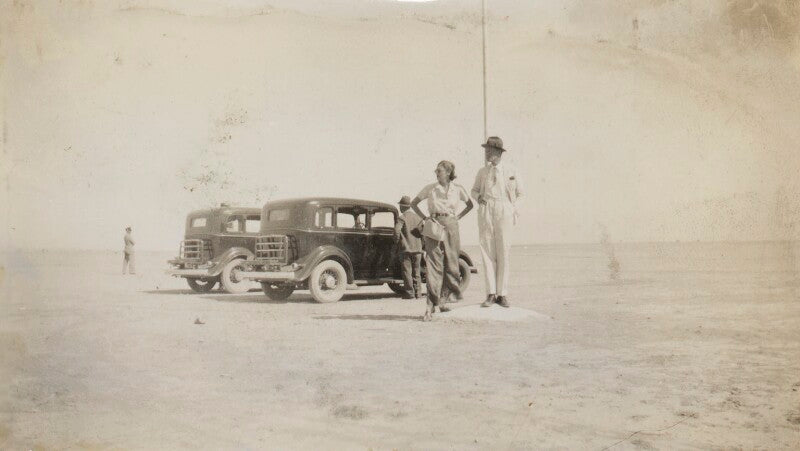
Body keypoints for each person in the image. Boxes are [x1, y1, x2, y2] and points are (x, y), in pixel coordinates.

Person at [411, 160, 474, 321]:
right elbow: (414, 203)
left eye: (439, 170)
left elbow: (469, 205)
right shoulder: (430, 188)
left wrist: (457, 217)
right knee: (433, 265)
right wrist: (425, 218)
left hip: (451, 226)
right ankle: (429, 307)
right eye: (436, 170)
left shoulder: (458, 189)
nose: (436, 173)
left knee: (452, 264)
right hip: (434, 226)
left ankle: (443, 300)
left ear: (448, 172)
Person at [471, 136, 523, 308]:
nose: (486, 153)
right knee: (487, 250)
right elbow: (474, 190)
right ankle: (491, 293)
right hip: (487, 209)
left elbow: (521, 193)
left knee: (503, 251)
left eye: (489, 150)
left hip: (504, 209)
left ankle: (503, 294)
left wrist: (513, 208)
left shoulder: (511, 170)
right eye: (485, 150)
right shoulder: (482, 172)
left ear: (498, 152)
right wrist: (479, 198)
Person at [394, 195, 424, 299]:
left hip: (406, 249)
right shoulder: (418, 218)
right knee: (416, 272)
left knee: (407, 271)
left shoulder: (402, 218)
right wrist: (422, 246)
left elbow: (396, 231)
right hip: (418, 250)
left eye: (400, 206)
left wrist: (397, 243)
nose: (399, 208)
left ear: (403, 206)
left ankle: (409, 293)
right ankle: (418, 293)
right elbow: (423, 233)